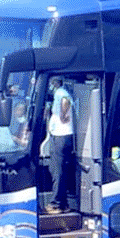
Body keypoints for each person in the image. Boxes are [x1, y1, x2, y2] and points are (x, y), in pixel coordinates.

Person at [44, 83, 76, 211]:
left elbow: (65, 99)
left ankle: (56, 203)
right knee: (56, 168)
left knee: (57, 170)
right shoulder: (60, 92)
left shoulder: (60, 92)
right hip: (58, 134)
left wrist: (63, 115)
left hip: (61, 135)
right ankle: (63, 203)